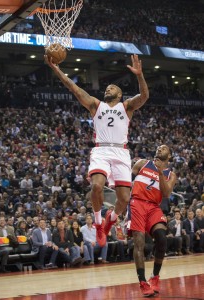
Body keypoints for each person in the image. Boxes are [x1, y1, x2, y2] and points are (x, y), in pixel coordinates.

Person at [45, 54, 149, 247]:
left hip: (121, 152)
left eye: (113, 88)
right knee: (97, 186)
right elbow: (73, 88)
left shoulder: (126, 107)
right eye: (107, 88)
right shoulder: (96, 105)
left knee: (124, 199)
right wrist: (56, 69)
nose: (108, 88)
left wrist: (139, 75)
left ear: (119, 95)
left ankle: (112, 218)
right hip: (101, 150)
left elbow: (144, 97)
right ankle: (99, 223)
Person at [128, 145, 176, 297]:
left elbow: (167, 193)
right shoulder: (142, 163)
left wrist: (160, 172)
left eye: (163, 148)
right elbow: (126, 183)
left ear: (169, 156)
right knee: (139, 242)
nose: (159, 149)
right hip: (138, 203)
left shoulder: (170, 174)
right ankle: (142, 282)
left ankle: (154, 277)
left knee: (162, 239)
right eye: (159, 147)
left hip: (154, 207)